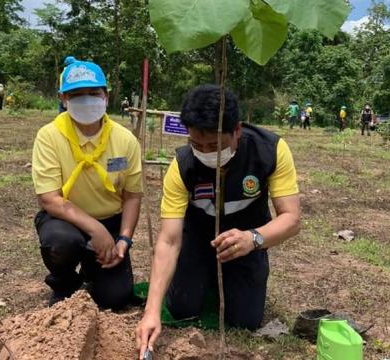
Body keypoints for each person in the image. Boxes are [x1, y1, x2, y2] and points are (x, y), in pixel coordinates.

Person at [135, 84, 301, 359]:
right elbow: (169, 239)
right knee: (182, 308)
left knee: (246, 320)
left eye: (214, 145)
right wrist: (151, 311)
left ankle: (230, 272)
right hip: (198, 238)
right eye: (196, 144)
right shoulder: (182, 165)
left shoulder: (270, 150)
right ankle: (200, 272)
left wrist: (253, 239)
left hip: (248, 239)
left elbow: (292, 219)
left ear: (236, 130)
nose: (205, 153)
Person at [32, 60, 143, 308]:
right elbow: (49, 199)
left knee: (115, 299)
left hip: (111, 220)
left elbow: (133, 196)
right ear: (63, 98)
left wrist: (123, 239)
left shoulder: (125, 140)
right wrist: (96, 230)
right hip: (65, 220)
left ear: (106, 96)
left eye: (94, 93)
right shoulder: (49, 136)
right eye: (77, 95)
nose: (87, 100)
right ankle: (64, 283)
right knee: (60, 242)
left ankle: (93, 274)